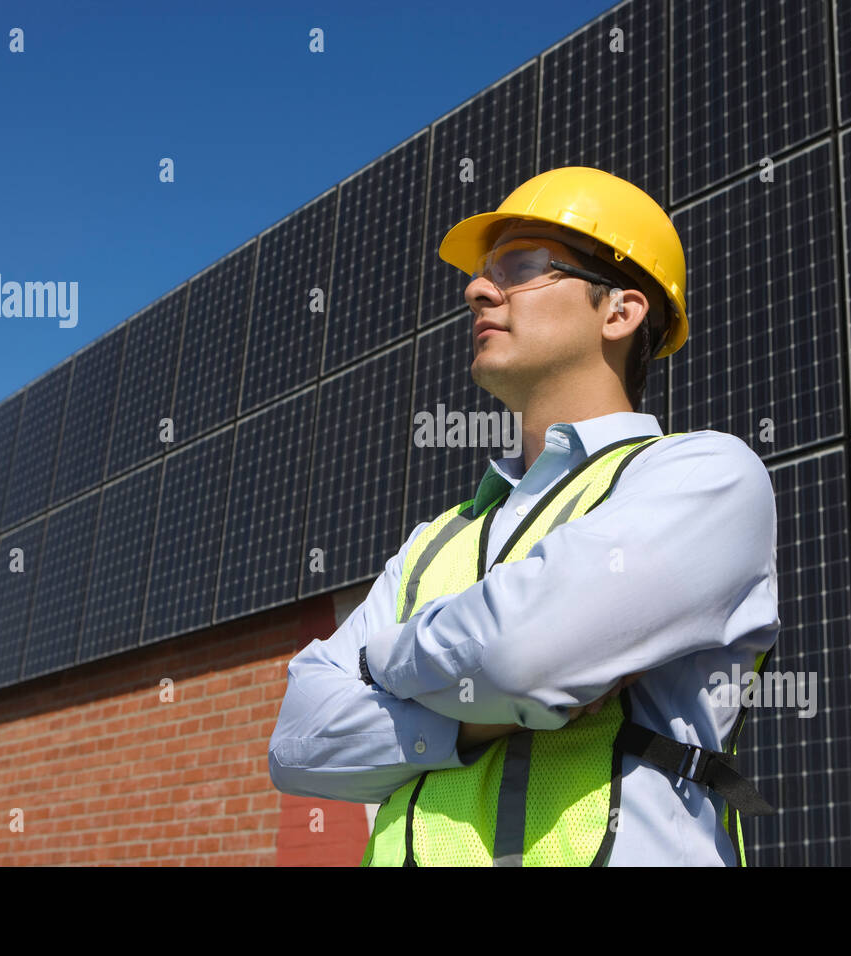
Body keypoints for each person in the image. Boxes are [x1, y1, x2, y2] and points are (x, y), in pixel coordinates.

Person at [268, 166, 780, 866]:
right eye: (484, 274)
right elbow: (296, 743)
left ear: (620, 312)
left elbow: (521, 653)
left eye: (523, 267)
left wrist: (374, 661)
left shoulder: (706, 477)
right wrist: (468, 726)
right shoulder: (433, 540)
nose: (478, 289)